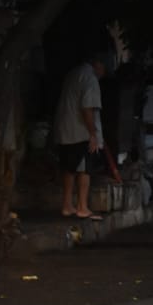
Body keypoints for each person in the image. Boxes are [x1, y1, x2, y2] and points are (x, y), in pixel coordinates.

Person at [54, 49, 112, 220]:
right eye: (103, 70)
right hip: (81, 132)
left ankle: (67, 205)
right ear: (98, 65)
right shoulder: (90, 78)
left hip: (66, 130)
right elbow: (87, 108)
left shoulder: (73, 74)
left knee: (69, 168)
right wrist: (93, 134)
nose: (103, 74)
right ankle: (82, 207)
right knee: (85, 169)